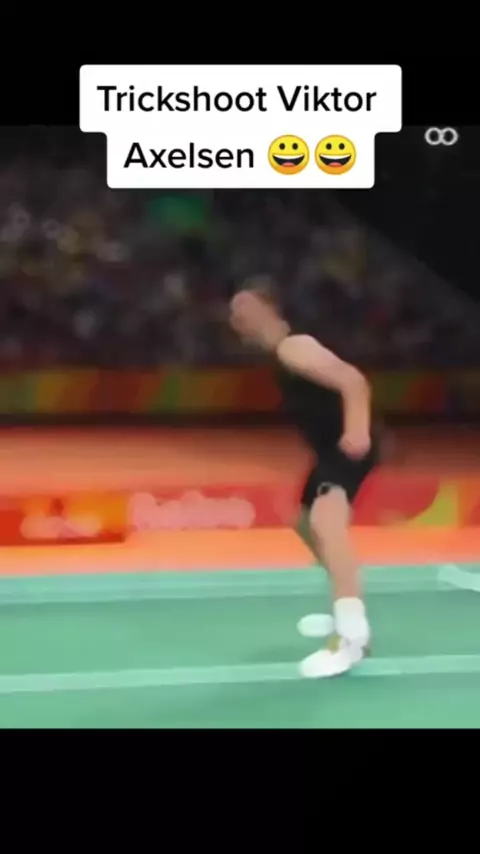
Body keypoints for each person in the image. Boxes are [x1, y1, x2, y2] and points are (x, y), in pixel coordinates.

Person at [229, 282, 380, 678]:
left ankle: (350, 638)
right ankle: (346, 601)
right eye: (233, 313)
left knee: (325, 523)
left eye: (244, 307)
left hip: (348, 446)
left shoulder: (293, 347)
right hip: (330, 450)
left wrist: (357, 428)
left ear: (270, 308)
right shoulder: (279, 357)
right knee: (303, 520)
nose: (236, 318)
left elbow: (353, 380)